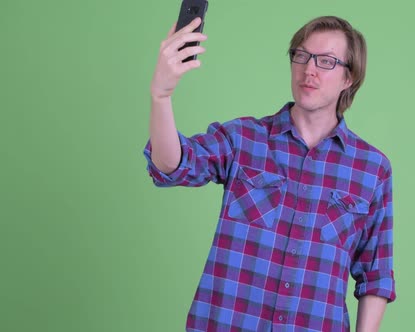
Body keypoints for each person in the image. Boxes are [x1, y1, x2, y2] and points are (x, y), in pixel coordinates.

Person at [144, 15, 396, 332]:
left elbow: (375, 275)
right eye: (301, 55)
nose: (309, 70)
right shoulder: (243, 139)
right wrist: (161, 95)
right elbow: (171, 165)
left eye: (327, 61)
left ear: (349, 78)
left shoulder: (371, 169)